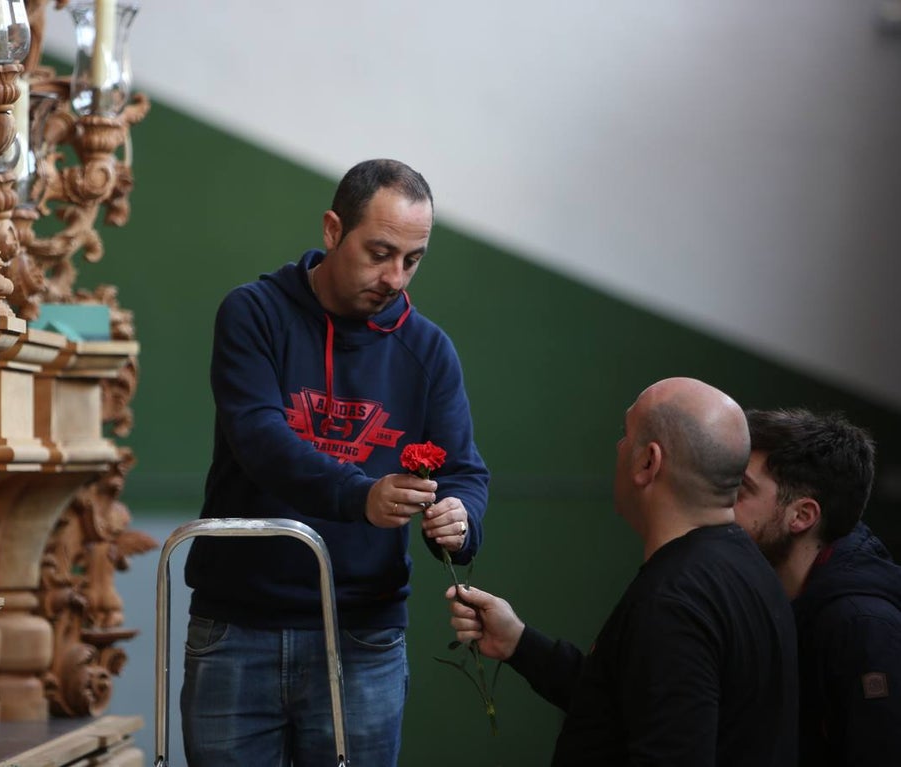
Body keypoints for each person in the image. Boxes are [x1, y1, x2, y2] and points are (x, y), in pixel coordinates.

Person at [182, 158, 490, 767]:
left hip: (364, 634)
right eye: (379, 252)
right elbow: (260, 438)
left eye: (413, 259)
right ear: (331, 231)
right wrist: (360, 496)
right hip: (237, 625)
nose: (395, 277)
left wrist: (462, 518)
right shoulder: (254, 313)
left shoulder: (428, 349)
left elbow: (465, 472)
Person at [448, 377, 798, 766]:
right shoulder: (749, 570)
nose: (618, 447)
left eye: (625, 434)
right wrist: (521, 644)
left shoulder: (674, 603)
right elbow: (631, 703)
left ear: (649, 462)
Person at [734, 408, 901, 766]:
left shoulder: (863, 626)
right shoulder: (773, 597)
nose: (722, 503)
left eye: (742, 490)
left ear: (801, 516)